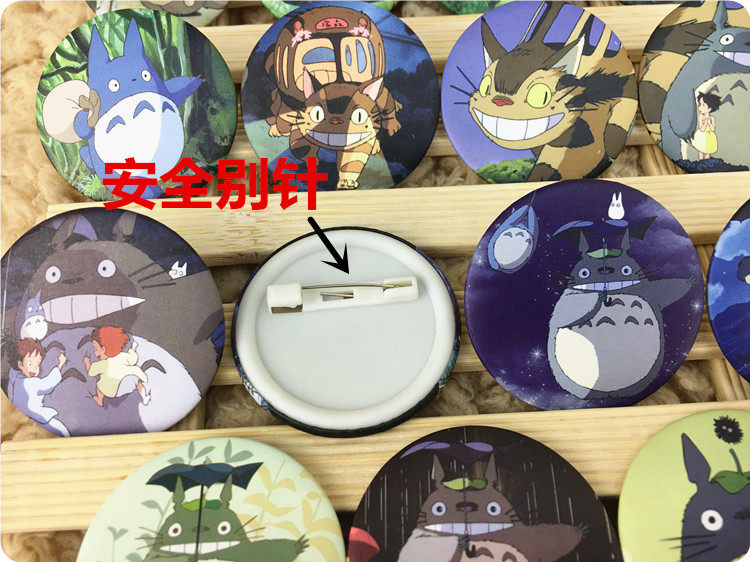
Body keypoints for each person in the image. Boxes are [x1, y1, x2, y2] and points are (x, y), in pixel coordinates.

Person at [7, 338, 70, 436]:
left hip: (20, 419)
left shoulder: (16, 378)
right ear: (20, 364)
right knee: (62, 431)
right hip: (35, 418)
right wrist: (60, 365)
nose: (35, 368)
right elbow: (48, 383)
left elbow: (13, 372)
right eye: (30, 363)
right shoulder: (30, 383)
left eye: (38, 364)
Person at [83, 326, 151, 407]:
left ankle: (99, 400)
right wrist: (133, 348)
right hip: (125, 386)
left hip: (110, 391)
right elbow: (133, 359)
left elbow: (91, 372)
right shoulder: (123, 356)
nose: (95, 353)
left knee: (99, 387)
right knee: (138, 383)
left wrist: (87, 363)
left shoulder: (104, 364)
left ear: (103, 349)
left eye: (96, 349)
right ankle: (144, 397)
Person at [693, 92, 720, 160]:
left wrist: (709, 123)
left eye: (703, 105)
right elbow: (702, 129)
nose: (700, 107)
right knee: (701, 150)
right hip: (702, 136)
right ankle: (700, 161)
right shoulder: (701, 117)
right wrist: (705, 123)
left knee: (709, 151)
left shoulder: (712, 118)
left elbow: (713, 129)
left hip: (710, 136)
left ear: (709, 109)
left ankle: (706, 162)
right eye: (700, 104)